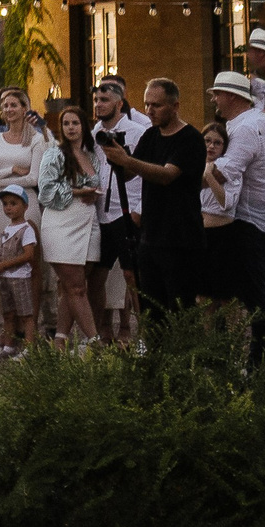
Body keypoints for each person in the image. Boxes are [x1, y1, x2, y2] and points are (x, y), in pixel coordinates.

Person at [102, 78, 206, 315]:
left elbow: (167, 175)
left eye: (156, 105)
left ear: (175, 106)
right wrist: (116, 155)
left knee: (181, 310)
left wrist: (128, 161)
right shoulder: (150, 136)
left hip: (181, 237)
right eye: (147, 105)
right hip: (150, 236)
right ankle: (155, 351)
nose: (149, 111)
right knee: (152, 311)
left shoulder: (190, 139)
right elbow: (129, 174)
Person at [206, 70, 265, 354]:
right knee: (234, 292)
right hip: (252, 218)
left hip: (248, 221)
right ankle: (241, 357)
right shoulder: (251, 122)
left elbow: (226, 173)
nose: (214, 99)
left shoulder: (245, 128)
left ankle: (257, 362)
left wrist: (177, 182)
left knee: (251, 293)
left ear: (232, 97)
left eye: (217, 94)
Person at [87, 78, 150, 343]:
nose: (99, 105)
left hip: (128, 211)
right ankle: (103, 331)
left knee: (131, 274)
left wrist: (139, 209)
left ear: (119, 103)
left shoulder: (137, 132)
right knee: (96, 274)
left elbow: (148, 173)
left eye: (105, 100)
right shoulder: (94, 133)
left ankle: (144, 333)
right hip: (101, 211)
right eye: (96, 101)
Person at [0, 90, 45, 324]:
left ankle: (31, 326)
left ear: (25, 109)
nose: (8, 109)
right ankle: (10, 327)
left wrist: (1, 182)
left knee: (29, 263)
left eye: (14, 105)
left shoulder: (36, 139)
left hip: (28, 203)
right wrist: (12, 171)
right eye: (5, 106)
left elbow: (34, 178)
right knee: (3, 261)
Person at [37, 105, 104, 349]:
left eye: (75, 123)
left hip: (89, 222)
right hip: (61, 224)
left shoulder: (93, 156)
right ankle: (95, 341)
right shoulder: (54, 154)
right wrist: (78, 192)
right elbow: (45, 190)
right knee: (76, 286)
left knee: (74, 285)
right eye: (66, 124)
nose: (71, 128)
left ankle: (60, 340)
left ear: (84, 126)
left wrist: (94, 195)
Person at [0, 186, 40, 360]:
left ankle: (29, 348)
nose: (8, 208)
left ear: (25, 206)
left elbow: (28, 255)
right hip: (5, 278)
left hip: (20, 278)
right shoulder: (7, 228)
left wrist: (4, 264)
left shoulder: (26, 229)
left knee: (26, 314)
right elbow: (3, 250)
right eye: (5, 204)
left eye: (13, 203)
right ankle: (9, 346)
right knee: (8, 314)